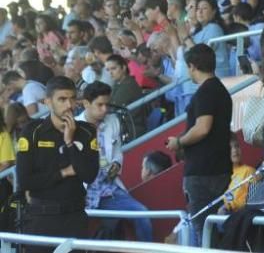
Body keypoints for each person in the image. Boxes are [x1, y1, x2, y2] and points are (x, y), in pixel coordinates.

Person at [16, 76, 99, 251]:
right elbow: (24, 181)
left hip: (74, 217)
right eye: (62, 99)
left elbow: (89, 175)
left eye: (72, 99)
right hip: (41, 219)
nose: (69, 105)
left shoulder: (86, 131)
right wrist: (63, 173)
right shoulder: (32, 132)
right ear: (48, 102)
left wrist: (69, 142)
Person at [166, 44, 233, 246]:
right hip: (220, 168)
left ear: (192, 66)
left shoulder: (206, 92)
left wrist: (179, 141)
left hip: (202, 172)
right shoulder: (221, 91)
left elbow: (202, 128)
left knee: (204, 232)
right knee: (215, 231)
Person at [78, 81, 152, 241]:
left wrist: (117, 164)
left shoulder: (113, 121)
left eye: (107, 104)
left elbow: (117, 151)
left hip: (108, 191)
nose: (105, 109)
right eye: (100, 105)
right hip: (81, 194)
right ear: (86, 103)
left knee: (143, 213)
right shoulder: (73, 126)